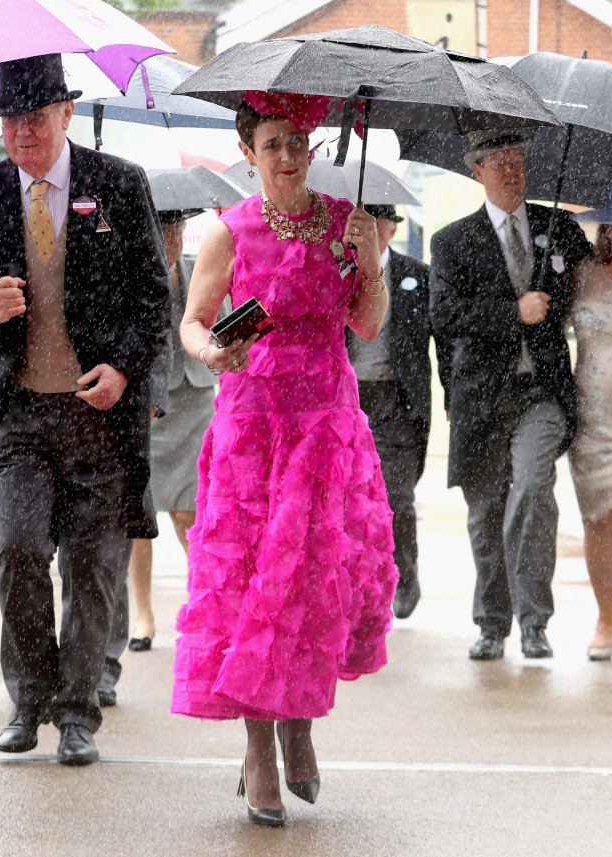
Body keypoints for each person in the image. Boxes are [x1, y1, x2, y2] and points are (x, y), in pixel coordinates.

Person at [172, 91, 397, 827]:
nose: (288, 155)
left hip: (327, 421)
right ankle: (261, 750)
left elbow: (366, 321)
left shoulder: (345, 223)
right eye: (272, 143)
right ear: (249, 152)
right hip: (253, 425)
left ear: (316, 146)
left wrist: (371, 264)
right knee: (249, 589)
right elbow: (195, 324)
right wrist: (214, 350)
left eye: (298, 140)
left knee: (312, 581)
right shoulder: (230, 232)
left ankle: (299, 721)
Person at [0, 54, 169, 765]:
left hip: (98, 413)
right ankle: (28, 696)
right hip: (16, 415)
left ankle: (77, 712)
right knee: (15, 548)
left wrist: (125, 367)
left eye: (35, 120)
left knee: (93, 566)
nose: (21, 136)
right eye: (10, 123)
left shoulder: (119, 185)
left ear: (67, 114)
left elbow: (151, 301)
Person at [430, 129, 590, 662]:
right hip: (481, 397)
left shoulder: (556, 226)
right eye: (498, 162)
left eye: (518, 160)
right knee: (485, 512)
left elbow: (594, 274)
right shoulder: (451, 241)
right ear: (476, 170)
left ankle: (534, 621)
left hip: (541, 393)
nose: (511, 170)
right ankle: (492, 622)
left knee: (533, 487)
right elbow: (445, 316)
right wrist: (511, 313)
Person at [127, 209, 221, 652]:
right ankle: (142, 613)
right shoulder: (132, 272)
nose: (174, 240)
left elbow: (215, 321)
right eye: (165, 232)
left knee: (190, 510)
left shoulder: (198, 266)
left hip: (196, 397)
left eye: (179, 231)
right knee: (140, 517)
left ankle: (204, 603)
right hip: (148, 404)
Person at [346, 203, 443, 618]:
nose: (372, 233)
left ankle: (406, 573)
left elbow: (444, 336)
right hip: (348, 399)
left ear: (388, 231)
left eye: (379, 226)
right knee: (351, 500)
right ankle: (358, 584)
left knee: (396, 496)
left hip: (397, 401)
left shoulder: (416, 275)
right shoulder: (342, 274)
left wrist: (451, 391)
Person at [567, 184, 612, 663]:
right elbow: (548, 336)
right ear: (606, 230)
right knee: (598, 526)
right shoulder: (579, 276)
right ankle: (606, 617)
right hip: (592, 423)